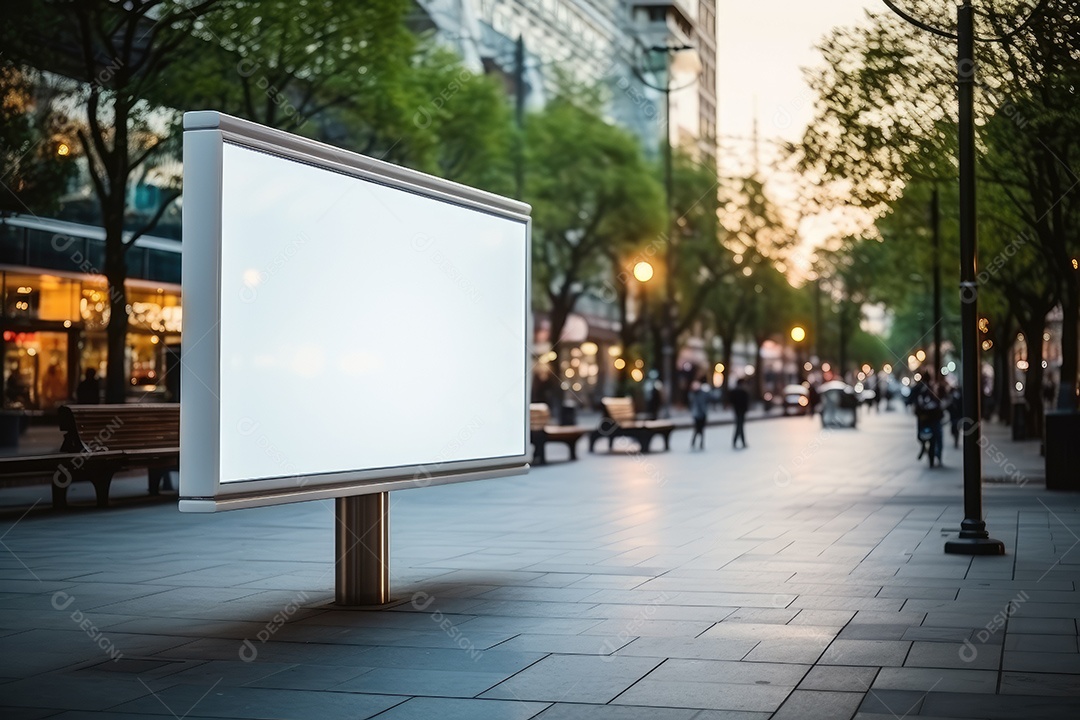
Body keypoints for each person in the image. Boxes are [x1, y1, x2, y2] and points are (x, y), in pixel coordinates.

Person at [914, 378, 945, 466]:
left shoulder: (933, 395)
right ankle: (933, 453)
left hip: (931, 421)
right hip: (928, 421)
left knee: (936, 437)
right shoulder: (924, 395)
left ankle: (936, 455)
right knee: (936, 436)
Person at [689, 377, 710, 450]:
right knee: (697, 429)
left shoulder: (702, 393)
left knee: (700, 429)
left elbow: (709, 398)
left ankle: (699, 443)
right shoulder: (693, 394)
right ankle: (695, 442)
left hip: (702, 413)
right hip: (697, 414)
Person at [730, 378, 750, 449]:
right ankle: (740, 441)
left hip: (737, 411)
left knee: (739, 426)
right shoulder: (743, 392)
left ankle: (736, 441)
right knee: (740, 427)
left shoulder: (735, 391)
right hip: (741, 411)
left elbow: (731, 401)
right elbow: (746, 402)